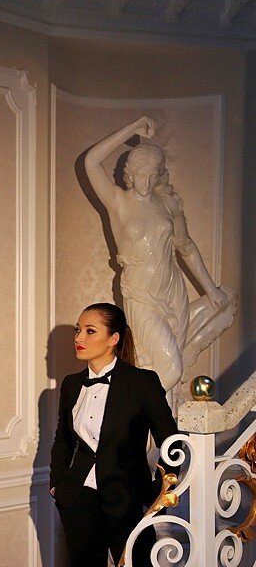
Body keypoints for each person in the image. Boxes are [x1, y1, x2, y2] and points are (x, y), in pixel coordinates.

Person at [50, 302, 178, 567]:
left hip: (126, 503)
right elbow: (62, 440)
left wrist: (161, 490)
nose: (79, 338)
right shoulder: (71, 384)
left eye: (89, 330)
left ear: (114, 338)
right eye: (78, 330)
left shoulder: (141, 382)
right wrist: (58, 483)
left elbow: (171, 441)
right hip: (79, 502)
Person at [84, 116, 234, 392]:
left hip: (173, 291)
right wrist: (132, 128)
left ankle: (159, 419)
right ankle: (132, 409)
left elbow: (186, 247)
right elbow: (91, 161)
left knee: (164, 366)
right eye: (143, 174)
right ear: (131, 173)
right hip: (140, 294)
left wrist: (211, 290)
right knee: (171, 368)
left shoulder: (167, 205)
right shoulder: (118, 202)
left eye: (154, 175)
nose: (148, 181)